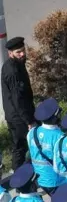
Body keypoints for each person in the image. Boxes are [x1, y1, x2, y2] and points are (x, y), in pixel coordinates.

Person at [3, 37, 35, 172]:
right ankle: (21, 180)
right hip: (19, 118)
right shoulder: (12, 70)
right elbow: (18, 99)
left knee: (21, 148)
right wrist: (28, 121)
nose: (22, 54)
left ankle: (23, 179)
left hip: (18, 115)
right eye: (18, 52)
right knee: (22, 148)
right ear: (10, 54)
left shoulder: (17, 64)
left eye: (23, 50)